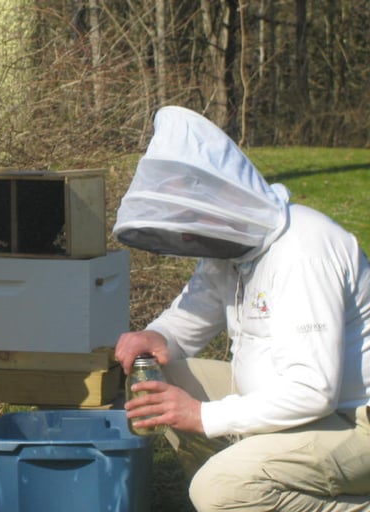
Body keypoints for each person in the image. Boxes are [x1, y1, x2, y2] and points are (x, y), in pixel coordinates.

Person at [112, 105, 370, 511]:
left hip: (354, 423)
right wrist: (158, 335)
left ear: (217, 197)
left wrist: (202, 416)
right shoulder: (229, 248)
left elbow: (313, 391)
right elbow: (194, 311)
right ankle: (247, 492)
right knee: (165, 383)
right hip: (294, 406)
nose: (185, 234)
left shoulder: (302, 253)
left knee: (220, 488)